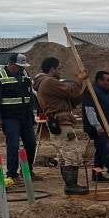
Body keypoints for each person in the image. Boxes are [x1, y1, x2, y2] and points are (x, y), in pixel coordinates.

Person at [34, 57, 90, 195]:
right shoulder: (49, 82)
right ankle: (71, 186)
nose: (60, 71)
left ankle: (70, 185)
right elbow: (71, 91)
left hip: (59, 122)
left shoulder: (47, 84)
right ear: (52, 69)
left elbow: (70, 99)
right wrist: (79, 80)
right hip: (61, 123)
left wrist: (84, 92)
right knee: (71, 154)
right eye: (59, 68)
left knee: (65, 155)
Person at [0, 52, 37, 181]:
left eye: (22, 66)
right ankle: (12, 174)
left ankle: (27, 171)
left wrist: (33, 114)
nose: (21, 69)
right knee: (13, 145)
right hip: (10, 117)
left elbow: (30, 96)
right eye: (19, 66)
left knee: (31, 144)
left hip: (25, 117)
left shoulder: (25, 75)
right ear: (10, 64)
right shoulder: (0, 77)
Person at [82, 70, 109, 182]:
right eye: (107, 80)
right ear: (99, 81)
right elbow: (89, 110)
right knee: (104, 150)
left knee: (100, 150)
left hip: (107, 126)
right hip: (98, 128)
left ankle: (96, 174)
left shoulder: (105, 92)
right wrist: (97, 126)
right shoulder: (92, 92)